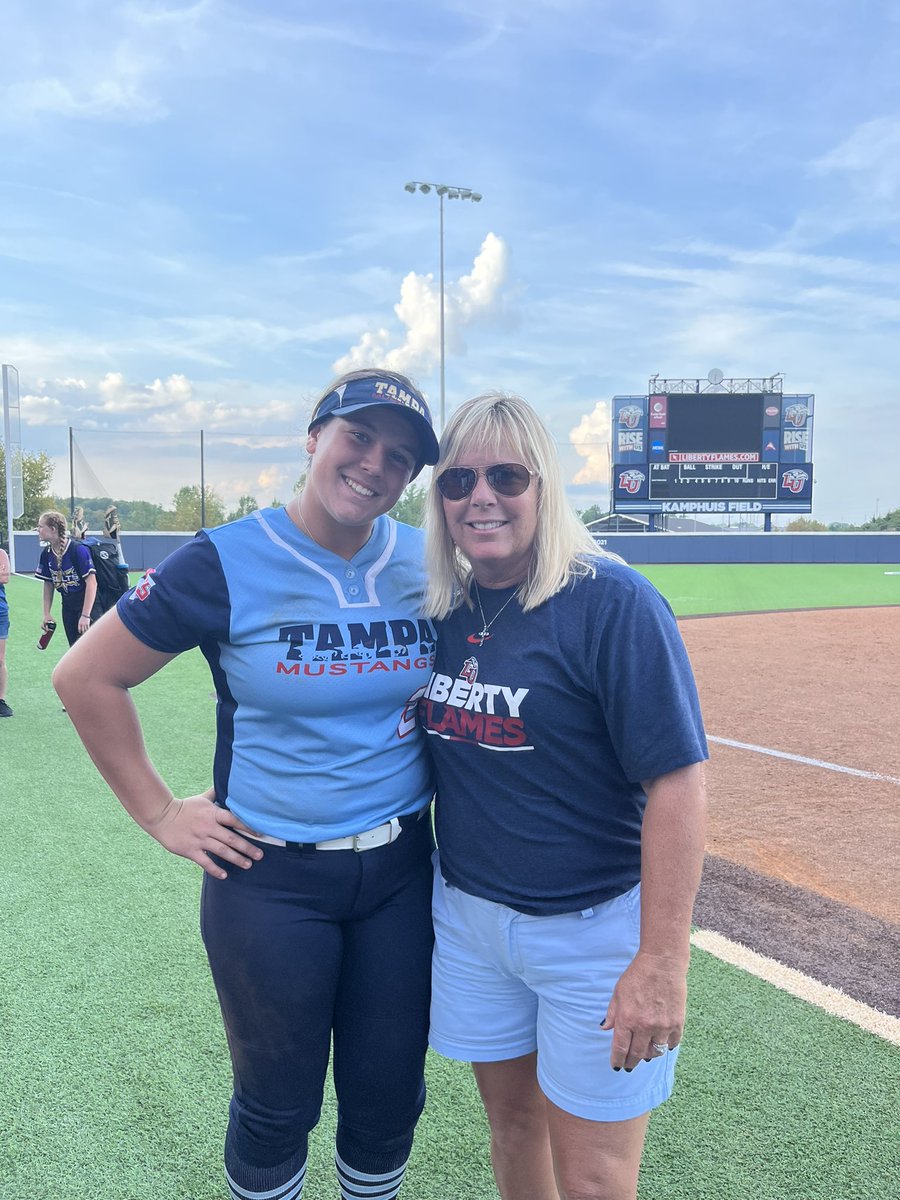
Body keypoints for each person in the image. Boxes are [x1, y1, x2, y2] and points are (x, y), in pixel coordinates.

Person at [53, 369, 441, 1200]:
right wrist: (159, 811)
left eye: (400, 456)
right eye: (358, 437)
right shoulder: (226, 558)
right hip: (271, 880)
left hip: (404, 873)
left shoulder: (426, 558)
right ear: (314, 438)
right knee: (275, 1105)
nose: (375, 464)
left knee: (388, 1100)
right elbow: (86, 678)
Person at [419, 393, 708, 1200]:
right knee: (512, 1132)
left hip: (592, 934)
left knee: (594, 1179)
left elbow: (679, 783)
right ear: (437, 498)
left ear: (545, 486)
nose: (482, 496)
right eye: (459, 479)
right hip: (472, 922)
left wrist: (662, 959)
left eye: (507, 475)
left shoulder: (614, 605)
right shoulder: (441, 607)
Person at [35, 510, 102, 646]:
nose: (38, 530)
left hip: (88, 605)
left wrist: (85, 615)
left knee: (91, 649)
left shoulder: (78, 550)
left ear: (53, 529)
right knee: (74, 649)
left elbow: (92, 583)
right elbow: (48, 584)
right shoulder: (46, 554)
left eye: (41, 526)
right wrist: (46, 613)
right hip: (68, 606)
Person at [0, 545, 11, 716]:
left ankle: (0, 700)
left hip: (0, 611)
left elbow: (5, 577)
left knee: (0, 659)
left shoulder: (1, 553)